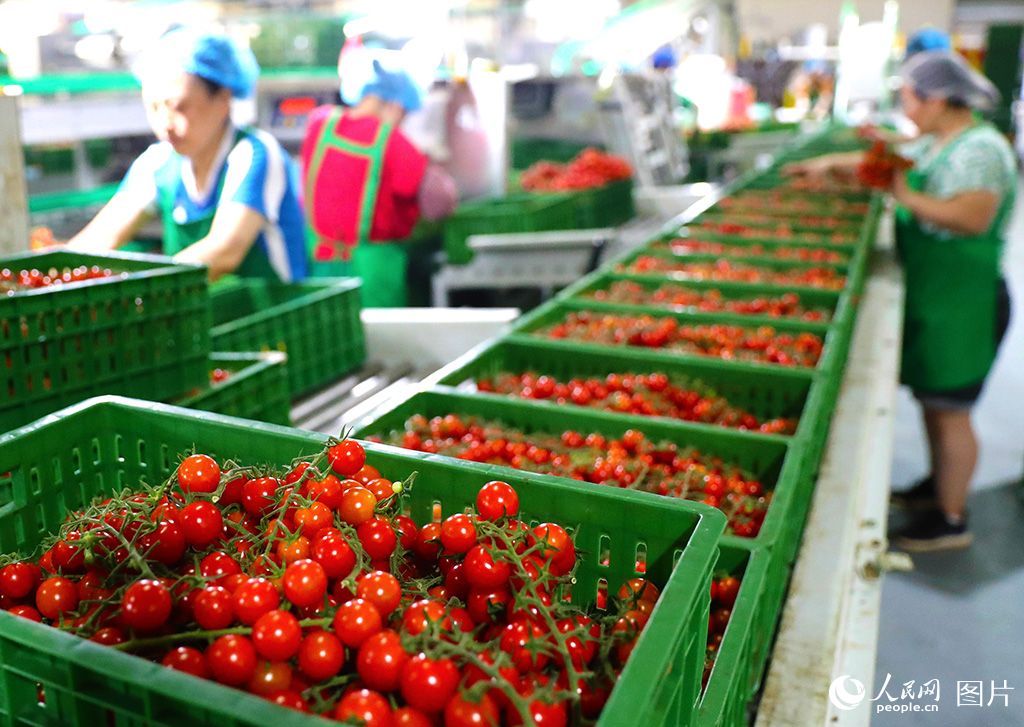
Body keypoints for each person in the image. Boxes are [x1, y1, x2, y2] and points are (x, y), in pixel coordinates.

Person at [785, 51, 1016, 552]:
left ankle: (951, 520)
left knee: (953, 410)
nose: (905, 110)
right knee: (936, 402)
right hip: (943, 296)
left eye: (909, 99)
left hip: (967, 302)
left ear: (936, 100)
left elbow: (972, 218)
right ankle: (936, 489)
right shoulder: (942, 138)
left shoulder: (982, 148)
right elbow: (894, 153)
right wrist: (831, 164)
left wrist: (902, 196)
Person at [68, 28, 308, 282]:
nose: (165, 123)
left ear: (223, 98)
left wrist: (146, 286)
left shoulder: (253, 153)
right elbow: (101, 238)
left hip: (272, 312)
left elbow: (225, 250)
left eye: (178, 107)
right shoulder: (158, 163)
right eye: (153, 108)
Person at [300, 57, 458, 307]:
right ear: (395, 107)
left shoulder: (320, 125)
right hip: (373, 277)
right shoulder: (392, 142)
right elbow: (440, 202)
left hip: (319, 270)